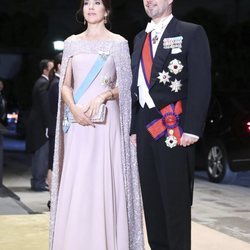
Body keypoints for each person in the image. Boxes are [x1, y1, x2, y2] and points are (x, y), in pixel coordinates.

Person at [50, 0, 144, 249]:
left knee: (105, 177)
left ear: (107, 10)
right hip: (78, 122)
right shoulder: (72, 42)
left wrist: (103, 96)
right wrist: (72, 109)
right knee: (78, 178)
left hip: (107, 123)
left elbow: (126, 85)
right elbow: (66, 84)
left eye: (97, 2)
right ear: (82, 10)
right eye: (87, 3)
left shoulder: (119, 43)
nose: (91, 7)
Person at [130, 0, 211, 249]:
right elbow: (138, 88)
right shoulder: (139, 38)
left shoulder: (190, 32)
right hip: (145, 128)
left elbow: (200, 82)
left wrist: (193, 128)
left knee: (174, 201)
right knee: (152, 200)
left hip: (174, 127)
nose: (149, 1)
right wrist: (134, 127)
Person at [26, 59, 54, 191]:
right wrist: (49, 124)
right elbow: (45, 106)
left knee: (41, 154)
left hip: (38, 123)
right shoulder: (43, 83)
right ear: (45, 70)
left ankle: (38, 181)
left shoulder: (41, 82)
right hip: (40, 125)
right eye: (51, 68)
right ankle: (38, 182)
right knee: (41, 154)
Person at [47, 53, 62, 209]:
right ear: (59, 65)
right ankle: (52, 198)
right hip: (55, 128)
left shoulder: (56, 82)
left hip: (54, 127)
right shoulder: (56, 84)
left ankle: (54, 197)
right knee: (53, 163)